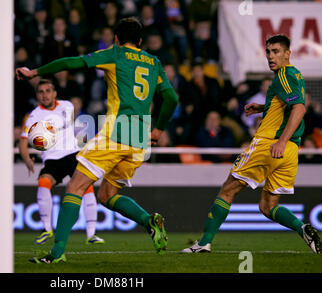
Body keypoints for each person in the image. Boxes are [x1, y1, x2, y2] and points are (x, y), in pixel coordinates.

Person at [17, 17, 179, 263]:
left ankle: (56, 253)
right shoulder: (154, 61)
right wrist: (159, 129)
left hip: (117, 132)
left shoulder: (115, 54)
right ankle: (148, 220)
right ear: (140, 41)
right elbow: (172, 99)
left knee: (75, 187)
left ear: (116, 38)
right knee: (106, 195)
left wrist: (35, 72)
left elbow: (73, 62)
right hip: (140, 138)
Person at [183, 35, 321, 254]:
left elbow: (299, 108)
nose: (271, 56)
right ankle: (302, 228)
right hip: (291, 151)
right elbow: (287, 106)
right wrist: (263, 108)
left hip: (270, 145)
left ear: (288, 53)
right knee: (268, 207)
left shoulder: (285, 74)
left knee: (228, 190)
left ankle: (204, 242)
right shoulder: (295, 75)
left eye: (276, 51)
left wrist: (280, 141)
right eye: (268, 51)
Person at [19, 79, 105, 245]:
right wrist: (26, 159)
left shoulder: (67, 106)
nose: (44, 95)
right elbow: (22, 142)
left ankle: (91, 234)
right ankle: (46, 229)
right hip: (52, 158)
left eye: (47, 91)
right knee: (43, 182)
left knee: (86, 186)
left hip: (73, 154)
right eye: (41, 92)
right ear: (37, 95)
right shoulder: (34, 116)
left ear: (54, 93)